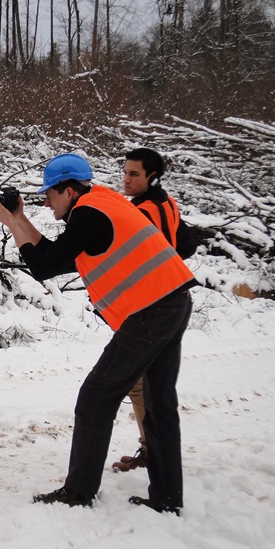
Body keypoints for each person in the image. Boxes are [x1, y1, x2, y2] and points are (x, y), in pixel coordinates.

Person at [0, 153, 197, 514]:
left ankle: (78, 492)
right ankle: (166, 499)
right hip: (172, 303)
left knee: (96, 397)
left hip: (151, 311)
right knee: (159, 403)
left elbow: (43, 266)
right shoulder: (103, 204)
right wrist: (17, 218)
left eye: (50, 195)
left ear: (69, 191)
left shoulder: (88, 213)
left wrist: (13, 224)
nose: (46, 202)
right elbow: (56, 256)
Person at [112, 147, 195, 472]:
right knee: (152, 387)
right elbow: (187, 245)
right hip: (170, 303)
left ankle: (153, 455)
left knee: (141, 385)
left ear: (152, 176)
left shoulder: (144, 211)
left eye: (134, 174)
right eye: (126, 171)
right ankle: (155, 456)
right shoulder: (166, 204)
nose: (127, 179)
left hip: (152, 307)